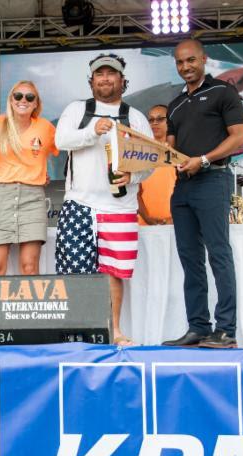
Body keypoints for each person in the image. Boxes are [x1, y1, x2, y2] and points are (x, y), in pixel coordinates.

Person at [55, 53, 153, 347]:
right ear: (91, 80)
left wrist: (132, 178)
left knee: (113, 273)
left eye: (112, 74)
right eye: (100, 74)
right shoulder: (77, 110)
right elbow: (60, 141)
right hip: (79, 204)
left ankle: (114, 330)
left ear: (123, 81)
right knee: (75, 271)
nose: (105, 79)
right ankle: (76, 333)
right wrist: (91, 132)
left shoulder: (135, 117)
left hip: (120, 207)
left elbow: (150, 161)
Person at [162, 39, 243, 349]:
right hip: (182, 186)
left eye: (191, 60)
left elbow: (239, 137)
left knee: (218, 255)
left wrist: (204, 160)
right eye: (180, 62)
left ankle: (226, 330)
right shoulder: (175, 104)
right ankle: (198, 327)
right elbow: (170, 148)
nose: (186, 67)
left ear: (204, 59)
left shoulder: (223, 92)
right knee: (190, 259)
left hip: (214, 179)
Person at [0, 80, 57, 275]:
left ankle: (31, 306)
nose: (23, 100)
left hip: (32, 197)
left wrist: (42, 173)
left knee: (29, 266)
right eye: (18, 96)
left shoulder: (45, 127)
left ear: (36, 103)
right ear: (10, 100)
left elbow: (68, 149)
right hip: (0, 195)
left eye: (30, 97)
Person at [138, 104, 175, 226]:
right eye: (151, 120)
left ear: (169, 121)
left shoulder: (179, 152)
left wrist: (175, 218)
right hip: (144, 224)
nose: (154, 123)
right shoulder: (141, 153)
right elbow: (135, 192)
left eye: (160, 119)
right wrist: (147, 218)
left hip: (176, 223)